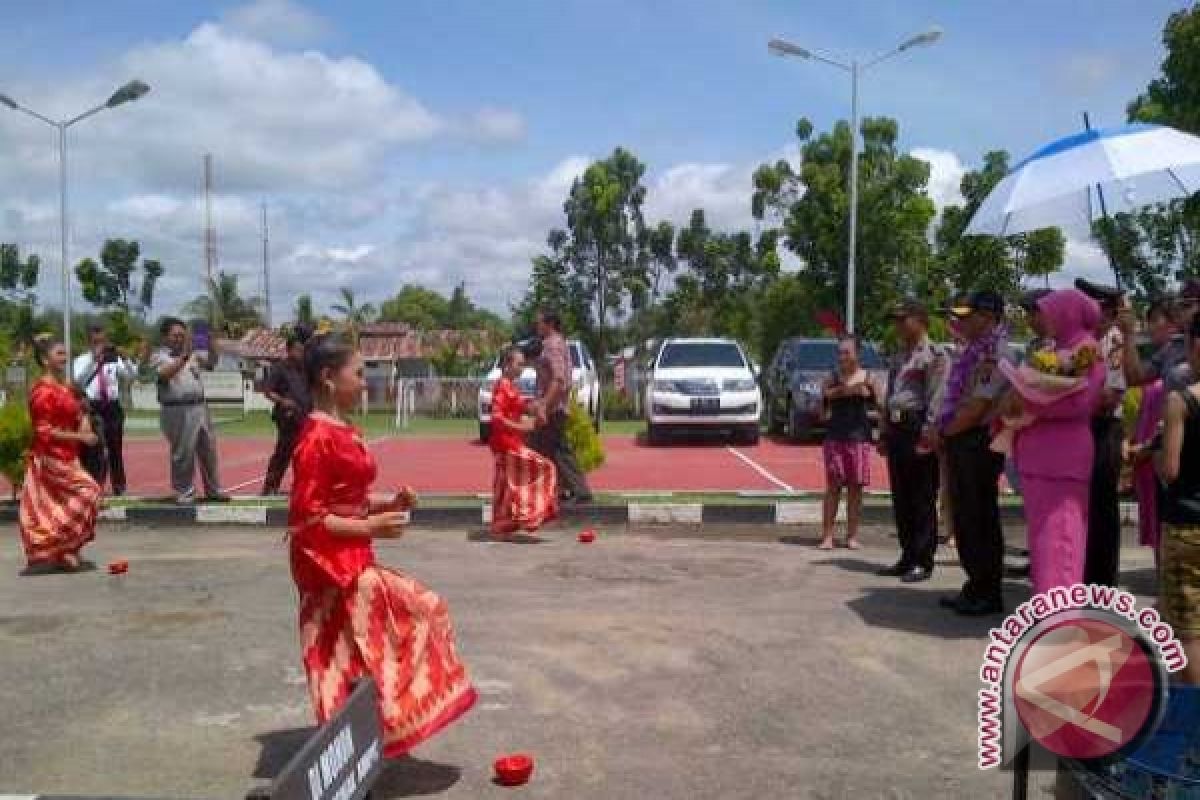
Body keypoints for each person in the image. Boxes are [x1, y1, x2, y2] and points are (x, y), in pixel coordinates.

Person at [288, 333, 477, 755]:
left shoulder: (339, 429)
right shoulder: (316, 438)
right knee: (384, 632)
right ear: (328, 377)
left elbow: (348, 499)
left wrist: (390, 502)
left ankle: (374, 733)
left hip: (353, 558)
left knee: (368, 648)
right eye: (358, 373)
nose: (366, 382)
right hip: (330, 567)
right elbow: (308, 519)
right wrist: (372, 527)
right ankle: (362, 740)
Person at [999, 289, 1105, 596]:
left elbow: (1078, 403)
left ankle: (1059, 620)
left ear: (1067, 313)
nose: (1043, 318)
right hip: (1039, 456)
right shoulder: (1054, 349)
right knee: (1044, 542)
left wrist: (1030, 404)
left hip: (1062, 459)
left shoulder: (1088, 350)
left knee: (1061, 542)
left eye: (1049, 311)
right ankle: (1048, 613)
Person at [936, 290, 1013, 616]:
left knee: (979, 516)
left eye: (968, 316)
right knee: (965, 515)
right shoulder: (972, 350)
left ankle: (987, 590)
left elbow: (977, 406)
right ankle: (974, 584)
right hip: (963, 439)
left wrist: (942, 431)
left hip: (977, 441)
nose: (960, 321)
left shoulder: (995, 353)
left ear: (988, 317)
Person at [18, 335, 102, 572]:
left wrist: (84, 419)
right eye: (59, 354)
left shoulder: (64, 387)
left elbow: (78, 409)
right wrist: (81, 437)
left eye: (66, 353)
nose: (65, 358)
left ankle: (67, 551)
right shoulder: (42, 392)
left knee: (63, 503)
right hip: (50, 457)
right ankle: (50, 540)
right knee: (90, 492)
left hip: (69, 455)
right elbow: (44, 432)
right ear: (45, 360)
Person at [877, 299, 946, 582]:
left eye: (903, 319)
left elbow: (937, 395)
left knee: (922, 496)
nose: (898, 325)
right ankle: (907, 554)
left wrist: (929, 430)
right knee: (902, 496)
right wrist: (883, 432)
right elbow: (891, 393)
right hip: (896, 426)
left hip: (918, 425)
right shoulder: (898, 355)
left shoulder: (933, 355)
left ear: (920, 320)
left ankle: (923, 558)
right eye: (896, 320)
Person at [1154, 311, 1200, 685]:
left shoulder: (1181, 401)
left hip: (1188, 526)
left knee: (1189, 628)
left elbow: (1170, 470)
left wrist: (1151, 451)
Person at [1075, 279, 1128, 588]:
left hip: (1103, 429)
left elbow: (1111, 396)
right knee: (1085, 508)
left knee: (1102, 510)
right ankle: (1086, 578)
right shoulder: (1086, 341)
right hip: (1084, 427)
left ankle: (1101, 584)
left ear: (1104, 309)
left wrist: (1073, 397)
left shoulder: (1113, 341)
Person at [151, 317, 229, 505]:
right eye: (175, 335)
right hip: (176, 409)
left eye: (182, 335)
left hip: (199, 407)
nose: (179, 339)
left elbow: (211, 363)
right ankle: (184, 491)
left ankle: (214, 490)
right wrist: (184, 356)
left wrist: (211, 343)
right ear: (165, 337)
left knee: (208, 450)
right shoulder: (159, 356)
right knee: (183, 453)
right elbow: (164, 375)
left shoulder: (194, 355)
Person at [818, 336, 883, 551]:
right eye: (840, 352)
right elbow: (821, 409)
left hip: (859, 438)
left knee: (856, 489)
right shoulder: (832, 377)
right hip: (835, 437)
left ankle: (852, 535)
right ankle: (827, 535)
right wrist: (840, 392)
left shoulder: (869, 378)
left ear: (858, 354)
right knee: (833, 486)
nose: (842, 356)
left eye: (847, 352)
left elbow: (882, 406)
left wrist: (868, 393)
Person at [1127, 300, 1177, 568]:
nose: (1151, 326)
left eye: (1156, 319)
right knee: (1157, 523)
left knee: (1169, 522)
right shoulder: (1161, 359)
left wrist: (1148, 445)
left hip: (1164, 450)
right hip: (1147, 455)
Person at [489, 346, 559, 538]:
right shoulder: (503, 385)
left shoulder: (509, 386)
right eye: (518, 364)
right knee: (546, 468)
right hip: (507, 446)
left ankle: (501, 525)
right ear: (506, 366)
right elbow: (496, 418)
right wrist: (523, 428)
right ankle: (529, 515)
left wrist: (537, 410)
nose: (521, 368)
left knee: (505, 487)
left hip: (506, 445)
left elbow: (521, 405)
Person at [529, 309, 593, 505]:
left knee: (556, 449)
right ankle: (562, 489)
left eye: (539, 323)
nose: (536, 326)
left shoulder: (553, 345)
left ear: (549, 324)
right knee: (546, 449)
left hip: (553, 407)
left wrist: (544, 405)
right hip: (554, 405)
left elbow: (558, 379)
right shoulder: (555, 343)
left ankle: (579, 491)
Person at [72, 325, 139, 495]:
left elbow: (130, 377)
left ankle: (119, 487)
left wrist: (126, 359)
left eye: (102, 341)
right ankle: (94, 485)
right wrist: (94, 360)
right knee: (94, 449)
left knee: (115, 447)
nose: (100, 344)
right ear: (89, 341)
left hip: (112, 406)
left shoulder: (113, 359)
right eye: (96, 341)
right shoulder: (82, 360)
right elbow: (78, 381)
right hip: (92, 407)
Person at [261, 332, 312, 496]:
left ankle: (301, 487)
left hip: (305, 417)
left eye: (302, 350)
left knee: (304, 455)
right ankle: (270, 487)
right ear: (289, 350)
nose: (300, 353)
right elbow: (268, 391)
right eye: (297, 350)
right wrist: (283, 401)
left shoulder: (305, 369)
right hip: (287, 418)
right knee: (283, 454)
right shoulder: (279, 368)